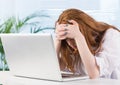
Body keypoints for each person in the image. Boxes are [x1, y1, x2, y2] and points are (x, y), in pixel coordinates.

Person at [55, 8, 120, 79]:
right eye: (66, 40)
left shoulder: (112, 35)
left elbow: (94, 74)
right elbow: (55, 68)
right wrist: (58, 39)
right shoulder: (71, 47)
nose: (70, 43)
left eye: (71, 39)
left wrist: (78, 36)